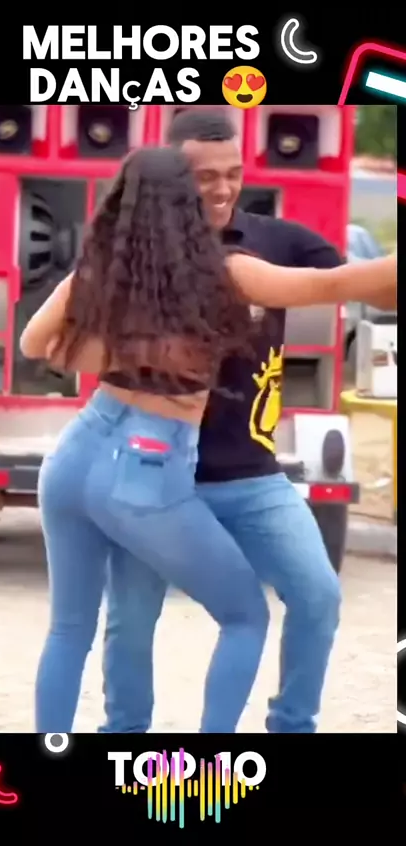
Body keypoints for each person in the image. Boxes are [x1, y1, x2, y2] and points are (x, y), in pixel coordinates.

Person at [21, 146, 395, 734]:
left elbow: (32, 344)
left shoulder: (98, 271)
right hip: (148, 460)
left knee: (69, 628)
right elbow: (334, 283)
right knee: (245, 616)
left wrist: (124, 354)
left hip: (78, 450)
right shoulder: (223, 272)